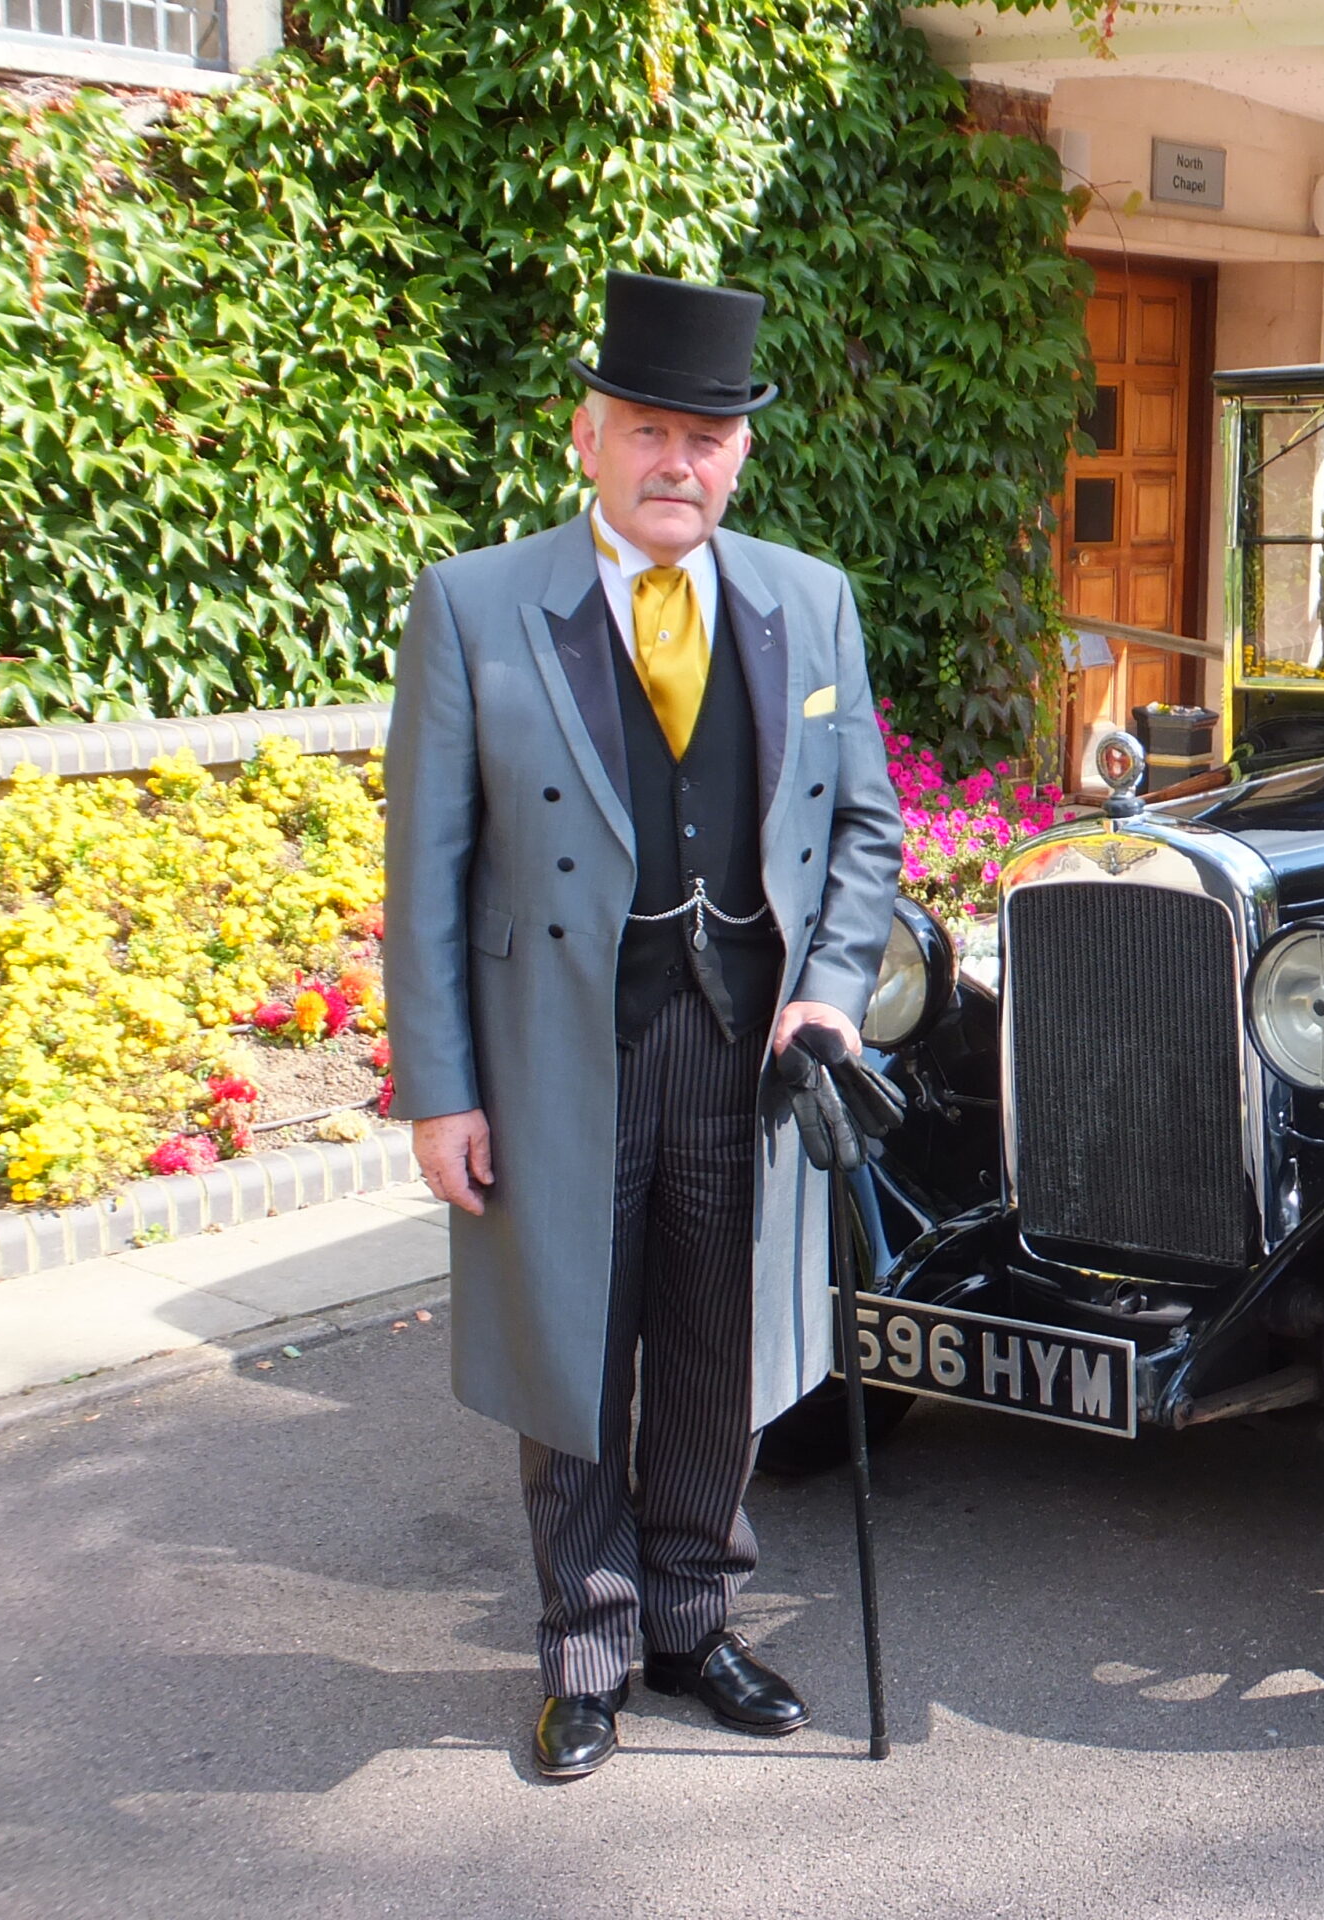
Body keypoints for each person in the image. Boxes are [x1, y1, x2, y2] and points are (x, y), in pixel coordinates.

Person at [384, 269, 903, 1780]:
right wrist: (440, 1089)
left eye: (711, 437)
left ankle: (693, 1619)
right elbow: (424, 864)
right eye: (652, 431)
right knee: (571, 1346)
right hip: (559, 1045)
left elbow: (865, 827)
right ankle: (588, 1648)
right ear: (588, 438)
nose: (682, 461)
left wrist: (831, 985)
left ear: (739, 458)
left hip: (740, 1042)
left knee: (711, 1340)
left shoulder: (809, 601)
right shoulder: (477, 602)